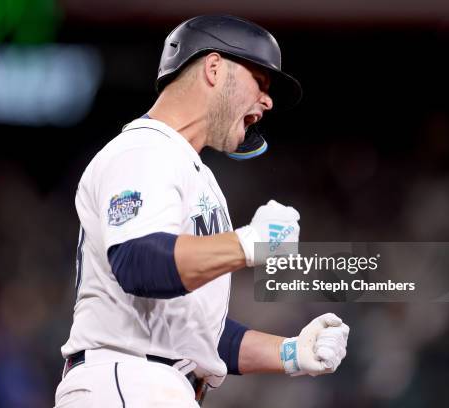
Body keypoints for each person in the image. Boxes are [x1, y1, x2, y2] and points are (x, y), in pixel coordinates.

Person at [54, 15, 349, 407]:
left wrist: (291, 352)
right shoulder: (144, 149)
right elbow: (139, 262)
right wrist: (248, 243)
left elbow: (199, 334)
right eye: (259, 82)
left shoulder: (194, 173)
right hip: (127, 378)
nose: (268, 100)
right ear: (213, 68)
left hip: (155, 381)